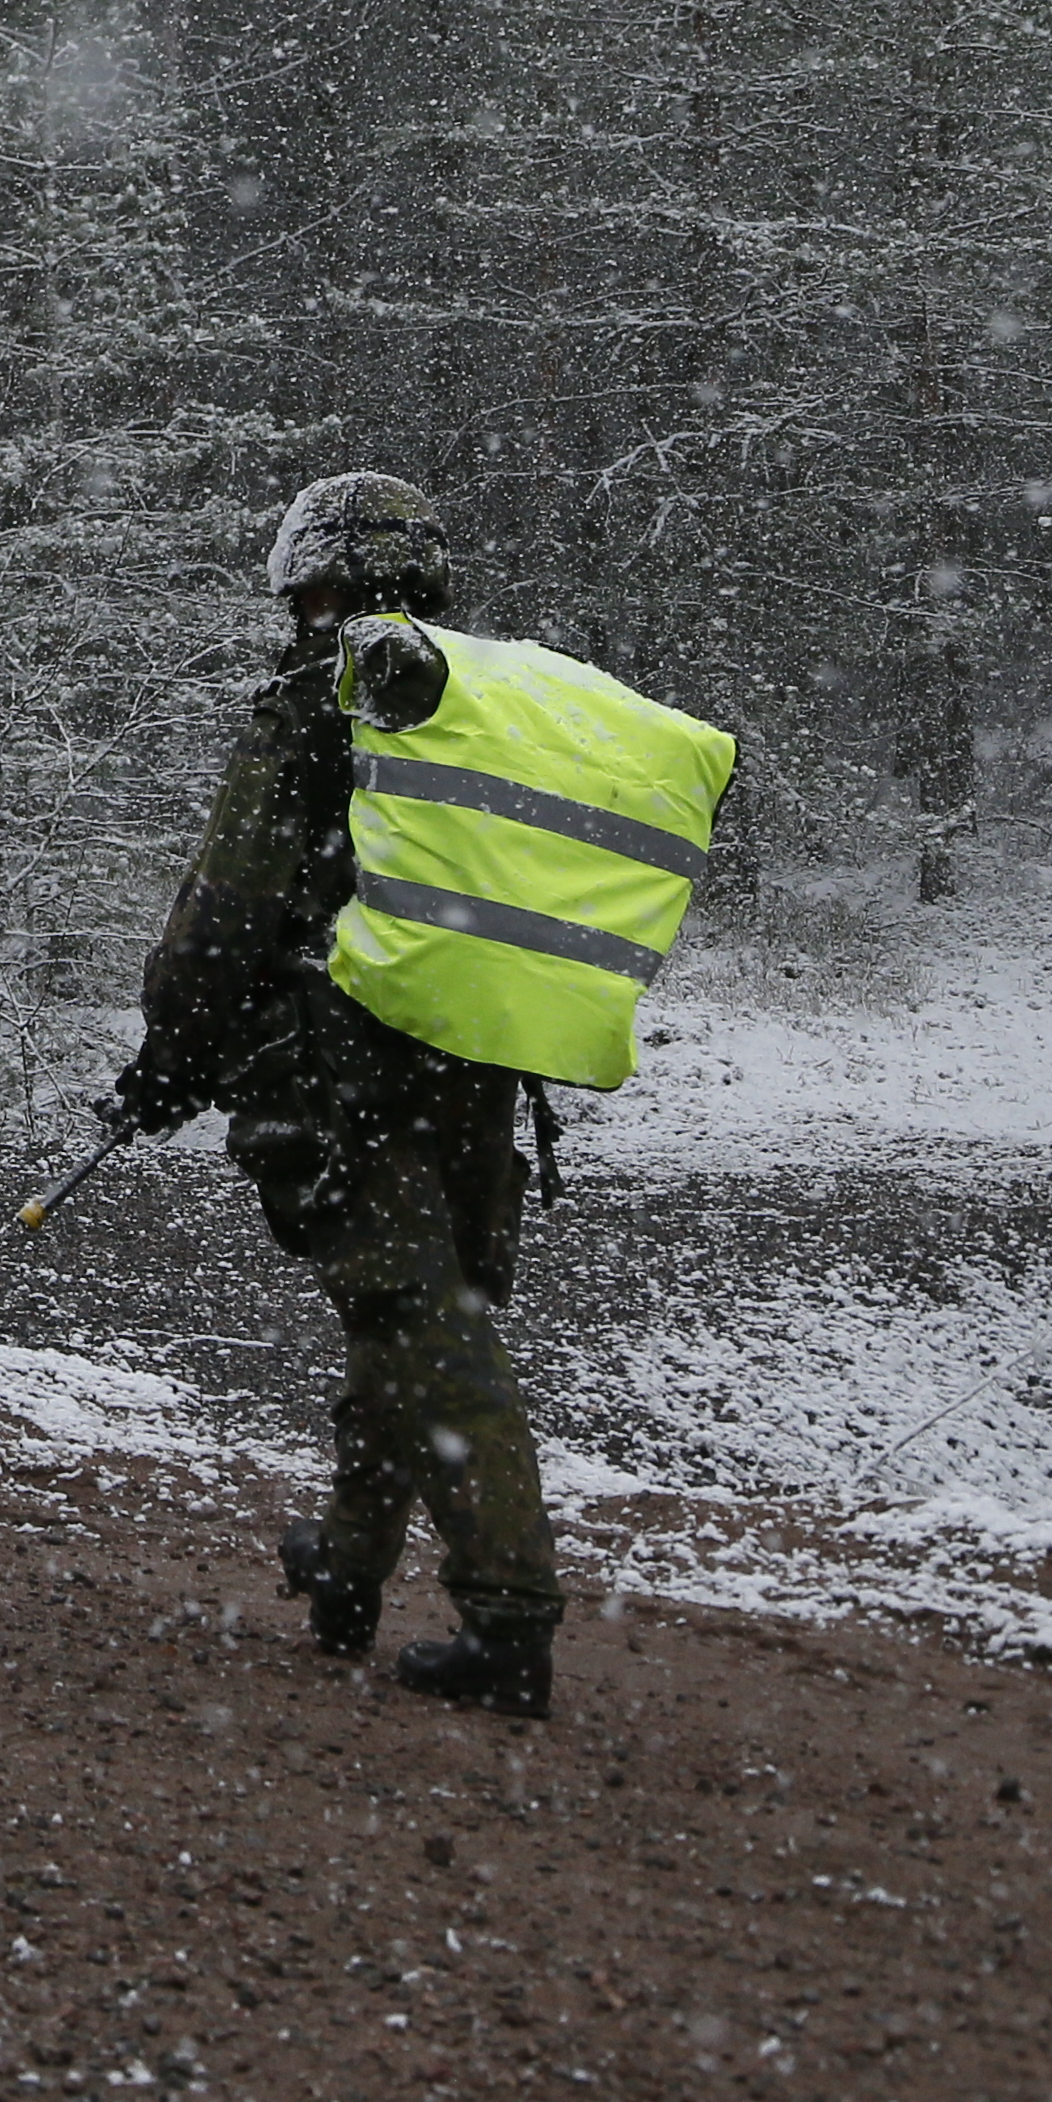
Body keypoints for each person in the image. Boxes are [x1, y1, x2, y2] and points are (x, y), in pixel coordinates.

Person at [101, 470, 735, 1721]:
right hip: (473, 1064)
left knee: (423, 1324)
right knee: (409, 1312)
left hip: (342, 1069)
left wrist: (170, 1054)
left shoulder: (321, 702)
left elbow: (225, 911)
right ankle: (347, 1567)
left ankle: (509, 1622)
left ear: (311, 578)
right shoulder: (476, 702)